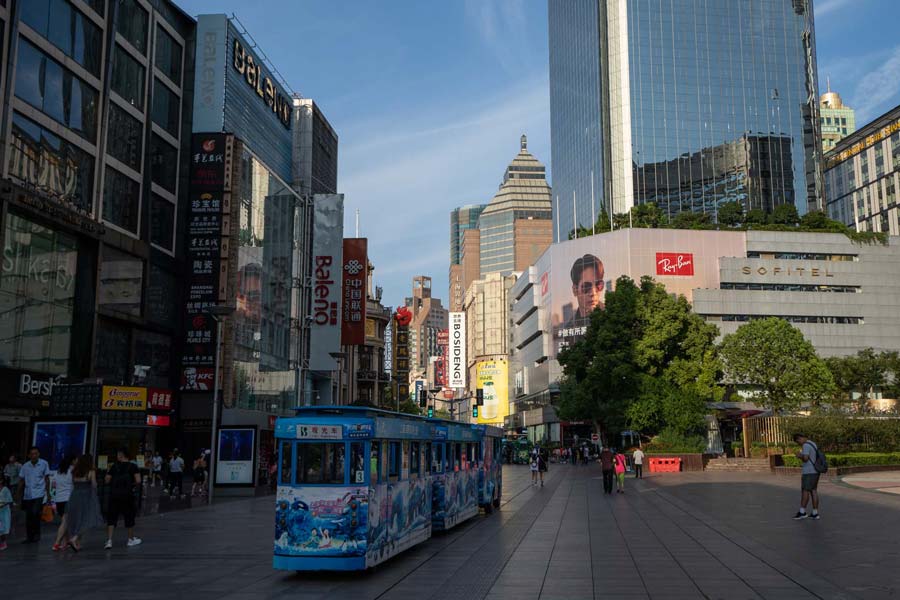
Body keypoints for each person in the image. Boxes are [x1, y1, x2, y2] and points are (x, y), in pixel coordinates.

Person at [104, 448, 142, 548]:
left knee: (112, 517)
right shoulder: (133, 466)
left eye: (118, 454)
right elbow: (138, 480)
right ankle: (130, 539)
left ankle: (109, 541)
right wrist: (131, 485)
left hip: (114, 495)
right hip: (127, 495)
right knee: (129, 516)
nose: (117, 456)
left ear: (121, 455)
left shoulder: (113, 466)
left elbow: (107, 480)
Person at [66, 454, 104, 551]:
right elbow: (94, 485)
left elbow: (73, 483)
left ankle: (77, 543)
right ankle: (74, 538)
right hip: (86, 497)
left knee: (76, 519)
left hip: (74, 496)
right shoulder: (91, 471)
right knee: (86, 519)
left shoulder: (74, 471)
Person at [17, 446, 50, 543]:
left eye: (36, 453)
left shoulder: (44, 463)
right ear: (29, 455)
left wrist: (48, 494)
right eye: (32, 454)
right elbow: (21, 480)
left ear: (38, 454)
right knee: (29, 516)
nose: (34, 455)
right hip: (28, 494)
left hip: (39, 494)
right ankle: (29, 537)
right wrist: (18, 494)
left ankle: (36, 535)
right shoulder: (25, 466)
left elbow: (47, 479)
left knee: (35, 513)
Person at [792, 433, 822, 520]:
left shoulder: (805, 445)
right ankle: (815, 513)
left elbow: (805, 458)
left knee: (805, 491)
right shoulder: (813, 443)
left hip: (808, 472)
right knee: (814, 491)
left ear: (799, 439)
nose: (799, 444)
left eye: (798, 442)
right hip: (815, 471)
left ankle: (802, 512)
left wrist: (799, 455)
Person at [52, 455, 76, 551]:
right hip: (68, 499)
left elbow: (53, 486)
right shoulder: (72, 472)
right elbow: (75, 484)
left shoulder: (57, 473)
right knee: (65, 522)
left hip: (59, 500)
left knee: (65, 521)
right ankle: (57, 543)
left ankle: (65, 542)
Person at [0, 472, 12, 550]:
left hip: (3, 511)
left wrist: (2, 504)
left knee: (2, 528)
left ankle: (3, 543)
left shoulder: (5, 489)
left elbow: (9, 500)